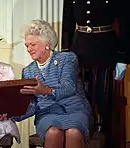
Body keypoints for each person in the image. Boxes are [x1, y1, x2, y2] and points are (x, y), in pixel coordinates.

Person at [13, 19, 93, 148]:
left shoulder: (68, 58)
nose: (29, 49)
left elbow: (69, 88)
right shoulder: (27, 71)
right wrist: (12, 114)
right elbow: (32, 104)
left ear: (47, 43)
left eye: (33, 44)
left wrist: (46, 91)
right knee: (53, 132)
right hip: (47, 114)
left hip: (75, 110)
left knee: (73, 133)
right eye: (27, 45)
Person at [61, 0, 130, 146]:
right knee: (81, 100)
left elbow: (126, 23)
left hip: (105, 50)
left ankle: (108, 141)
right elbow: (67, 22)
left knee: (105, 102)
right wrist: (65, 53)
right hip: (79, 50)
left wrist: (123, 57)